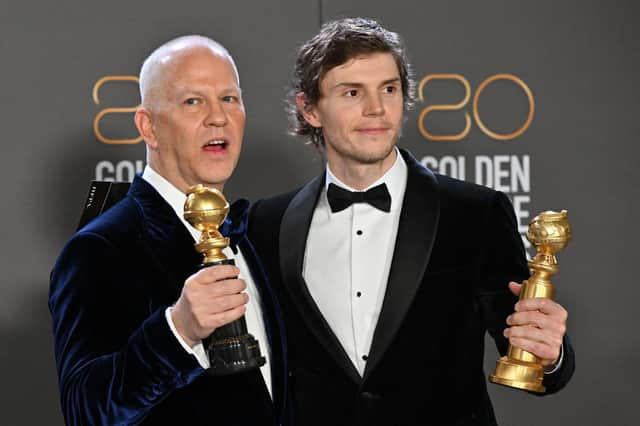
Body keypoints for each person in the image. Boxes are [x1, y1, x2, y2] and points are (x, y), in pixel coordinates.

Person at [248, 18, 575, 426]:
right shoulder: (267, 223)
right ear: (310, 109)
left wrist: (550, 353)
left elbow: (526, 349)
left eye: (389, 89)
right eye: (353, 92)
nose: (377, 109)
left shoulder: (475, 213)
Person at [49, 35, 288, 426]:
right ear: (148, 126)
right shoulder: (99, 248)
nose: (218, 117)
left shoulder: (255, 236)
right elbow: (85, 412)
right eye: (193, 101)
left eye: (229, 98)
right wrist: (179, 328)